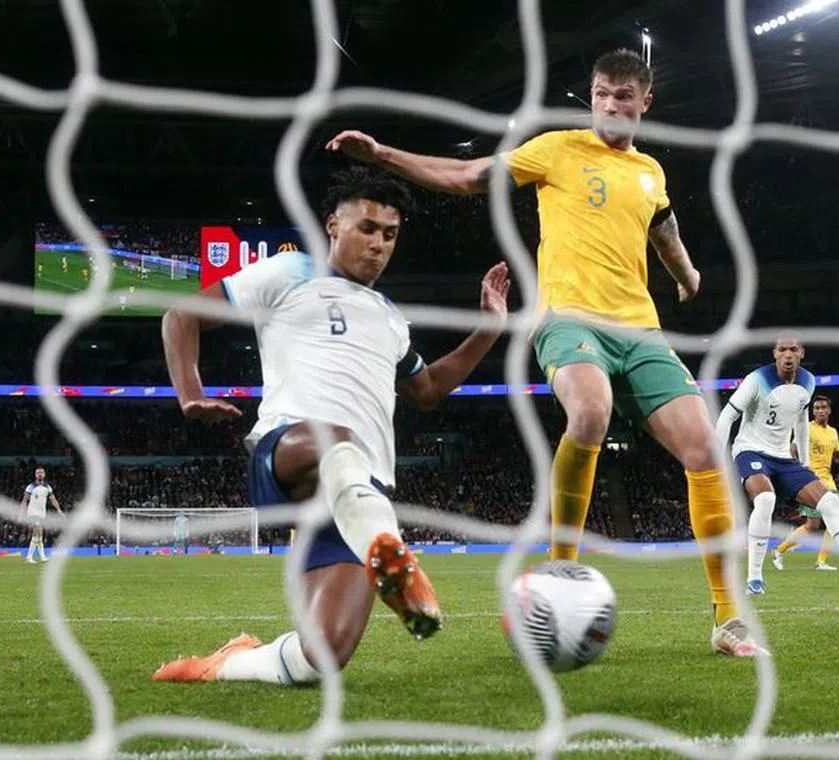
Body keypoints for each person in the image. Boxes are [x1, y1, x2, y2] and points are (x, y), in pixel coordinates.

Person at [326, 48, 762, 658]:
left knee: (705, 449)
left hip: (641, 329)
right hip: (567, 319)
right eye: (602, 94)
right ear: (592, 96)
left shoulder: (650, 172)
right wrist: (384, 157)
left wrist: (687, 275)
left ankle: (727, 619)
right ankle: (560, 573)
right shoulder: (555, 149)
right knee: (590, 412)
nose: (610, 105)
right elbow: (470, 175)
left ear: (644, 103)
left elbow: (664, 228)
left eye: (623, 96)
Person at [153, 168, 510, 684]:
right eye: (366, 228)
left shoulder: (389, 318)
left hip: (358, 496)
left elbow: (428, 389)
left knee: (321, 657)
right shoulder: (292, 270)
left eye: (389, 235)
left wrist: (489, 330)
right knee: (336, 439)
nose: (378, 245)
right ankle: (397, 561)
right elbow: (181, 314)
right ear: (332, 226)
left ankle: (224, 664)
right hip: (289, 453)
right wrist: (190, 394)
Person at [715, 336, 839, 595]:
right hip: (750, 450)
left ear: (802, 353)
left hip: (784, 457)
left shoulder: (808, 381)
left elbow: (801, 423)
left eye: (793, 349)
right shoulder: (756, 380)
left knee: (829, 503)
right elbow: (727, 415)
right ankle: (754, 578)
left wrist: (803, 464)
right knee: (766, 499)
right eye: (782, 350)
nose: (788, 354)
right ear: (775, 354)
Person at [772, 395, 839, 571]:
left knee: (835, 520)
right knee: (812, 525)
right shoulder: (807, 429)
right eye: (816, 408)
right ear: (813, 411)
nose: (819, 411)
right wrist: (800, 470)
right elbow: (792, 449)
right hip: (811, 481)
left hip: (828, 482)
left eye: (823, 407)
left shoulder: (833, 432)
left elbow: (836, 457)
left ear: (829, 410)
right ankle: (779, 550)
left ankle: (821, 561)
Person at [19, 467, 63, 564]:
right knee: (37, 531)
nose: (40, 474)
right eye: (38, 472)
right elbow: (24, 500)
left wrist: (59, 510)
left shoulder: (48, 487)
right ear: (35, 475)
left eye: (41, 472)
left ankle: (42, 556)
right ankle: (29, 557)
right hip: (33, 512)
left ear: (44, 474)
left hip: (42, 513)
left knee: (40, 534)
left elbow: (53, 500)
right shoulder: (30, 486)